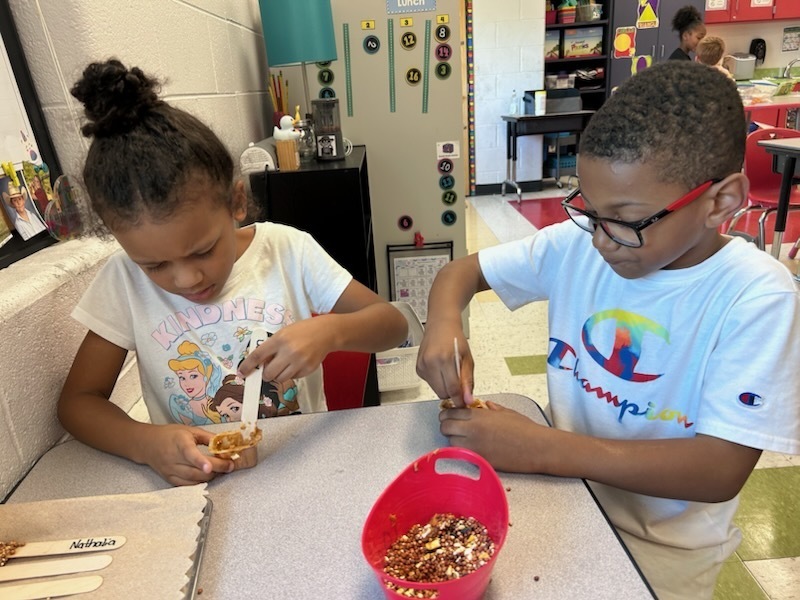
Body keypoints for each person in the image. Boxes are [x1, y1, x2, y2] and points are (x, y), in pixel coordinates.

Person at [416, 61, 800, 600]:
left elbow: (719, 469)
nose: (600, 238)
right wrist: (444, 324)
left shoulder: (756, 296)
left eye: (626, 218)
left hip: (666, 551)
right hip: (568, 500)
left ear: (721, 200)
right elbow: (462, 273)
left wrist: (542, 448)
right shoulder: (577, 248)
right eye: (590, 210)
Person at [58, 59, 408, 487]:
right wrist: (144, 443)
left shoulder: (286, 251)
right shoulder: (122, 280)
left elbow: (393, 325)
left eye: (203, 251)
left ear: (236, 203)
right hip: (198, 486)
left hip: (302, 471)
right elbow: (77, 402)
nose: (186, 280)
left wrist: (330, 332)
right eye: (154, 265)